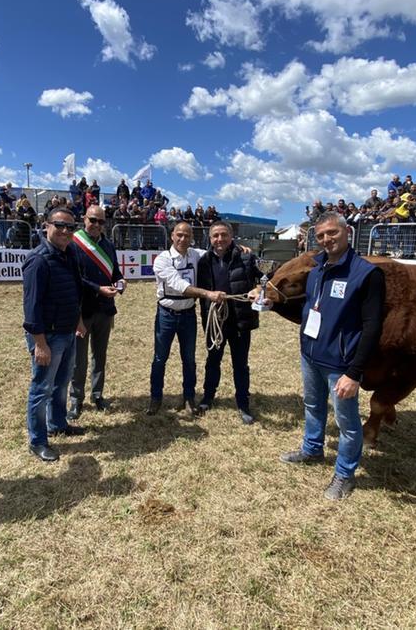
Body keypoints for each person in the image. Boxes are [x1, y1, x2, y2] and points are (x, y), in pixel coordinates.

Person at [275, 212, 385, 501]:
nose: (327, 239)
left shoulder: (366, 274)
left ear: (347, 231)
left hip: (341, 364)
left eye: (332, 233)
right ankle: (312, 448)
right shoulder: (317, 270)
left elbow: (373, 327)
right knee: (312, 404)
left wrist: (354, 372)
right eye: (321, 235)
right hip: (311, 354)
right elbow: (311, 308)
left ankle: (344, 474)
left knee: (347, 423)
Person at [22, 208, 87, 462]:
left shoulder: (69, 253)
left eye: (70, 227)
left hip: (68, 331)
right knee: (41, 388)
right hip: (47, 337)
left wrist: (78, 320)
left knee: (61, 383)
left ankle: (57, 423)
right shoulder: (38, 260)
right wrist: (39, 344)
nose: (65, 231)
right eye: (59, 225)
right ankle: (37, 440)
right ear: (46, 225)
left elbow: (74, 290)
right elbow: (31, 307)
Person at [148, 220, 224, 416]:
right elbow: (179, 285)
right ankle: (156, 398)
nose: (183, 239)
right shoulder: (162, 260)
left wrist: (238, 248)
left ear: (191, 238)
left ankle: (189, 397)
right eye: (179, 235)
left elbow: (218, 251)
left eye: (187, 236)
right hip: (166, 314)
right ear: (172, 235)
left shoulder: (196, 255)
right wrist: (207, 294)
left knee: (189, 360)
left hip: (188, 315)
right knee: (159, 359)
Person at [196, 221, 263, 425]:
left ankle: (243, 403)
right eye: (215, 235)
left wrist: (259, 290)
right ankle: (208, 397)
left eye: (224, 235)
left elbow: (266, 278)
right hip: (215, 320)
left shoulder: (247, 257)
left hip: (240, 320)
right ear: (210, 238)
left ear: (231, 236)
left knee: (240, 364)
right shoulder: (204, 261)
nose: (219, 239)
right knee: (212, 360)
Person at [68, 205, 125, 419]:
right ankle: (76, 399)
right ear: (84, 219)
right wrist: (97, 289)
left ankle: (97, 394)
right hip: (81, 311)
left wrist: (119, 282)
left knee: (99, 356)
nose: (97, 225)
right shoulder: (73, 244)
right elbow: (73, 278)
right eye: (93, 220)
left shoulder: (109, 246)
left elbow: (115, 272)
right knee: (78, 359)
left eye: (101, 222)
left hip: (105, 310)